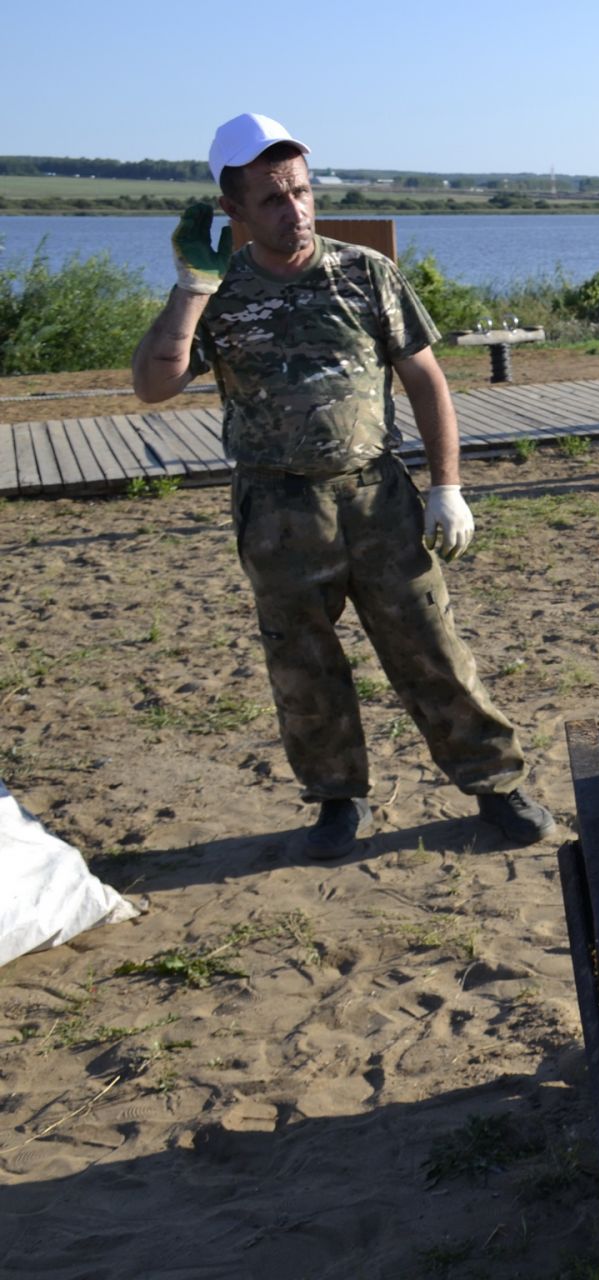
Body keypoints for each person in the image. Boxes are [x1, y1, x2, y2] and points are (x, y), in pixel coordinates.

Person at [130, 113, 555, 860]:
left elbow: (424, 379)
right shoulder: (218, 290)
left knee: (431, 646)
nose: (293, 209)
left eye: (300, 190)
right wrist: (191, 286)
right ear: (231, 211)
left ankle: (495, 783)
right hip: (278, 509)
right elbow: (153, 386)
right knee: (303, 664)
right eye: (270, 199)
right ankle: (337, 801)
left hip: (376, 496)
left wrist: (445, 486)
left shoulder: (363, 272)